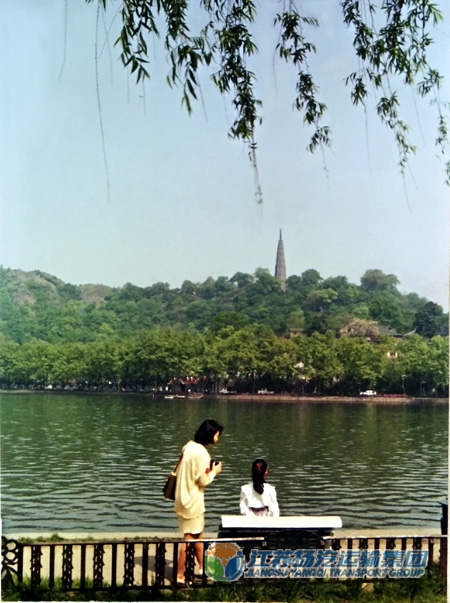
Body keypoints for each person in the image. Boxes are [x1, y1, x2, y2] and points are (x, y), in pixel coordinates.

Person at [174, 419, 223, 583]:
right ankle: (180, 574)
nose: (217, 439)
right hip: (192, 501)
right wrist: (214, 471)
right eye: (217, 435)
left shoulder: (188, 446)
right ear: (210, 435)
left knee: (198, 535)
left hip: (182, 497)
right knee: (189, 538)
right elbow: (202, 480)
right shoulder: (202, 454)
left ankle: (203, 568)